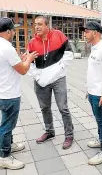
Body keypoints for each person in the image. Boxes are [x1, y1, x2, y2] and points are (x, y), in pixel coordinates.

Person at [0, 17, 38, 169]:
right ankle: (4, 157)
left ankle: (10, 144)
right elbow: (23, 70)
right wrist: (28, 59)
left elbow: (2, 65)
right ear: (8, 31)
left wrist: (20, 60)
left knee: (7, 122)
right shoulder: (6, 47)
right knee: (7, 125)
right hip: (9, 94)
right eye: (13, 30)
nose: (14, 33)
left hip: (0, 92)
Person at [27, 16, 74, 149]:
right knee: (44, 108)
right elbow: (30, 63)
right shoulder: (32, 42)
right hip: (41, 81)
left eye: (40, 24)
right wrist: (37, 77)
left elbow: (69, 54)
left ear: (47, 26)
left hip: (58, 78)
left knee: (63, 108)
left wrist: (58, 70)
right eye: (35, 24)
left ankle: (69, 134)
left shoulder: (58, 35)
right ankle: (49, 131)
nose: (37, 27)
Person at [80, 21, 102, 165]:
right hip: (92, 92)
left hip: (100, 93)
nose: (84, 34)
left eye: (87, 31)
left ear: (95, 32)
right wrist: (89, 90)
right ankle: (101, 140)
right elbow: (95, 72)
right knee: (98, 119)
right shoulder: (94, 48)